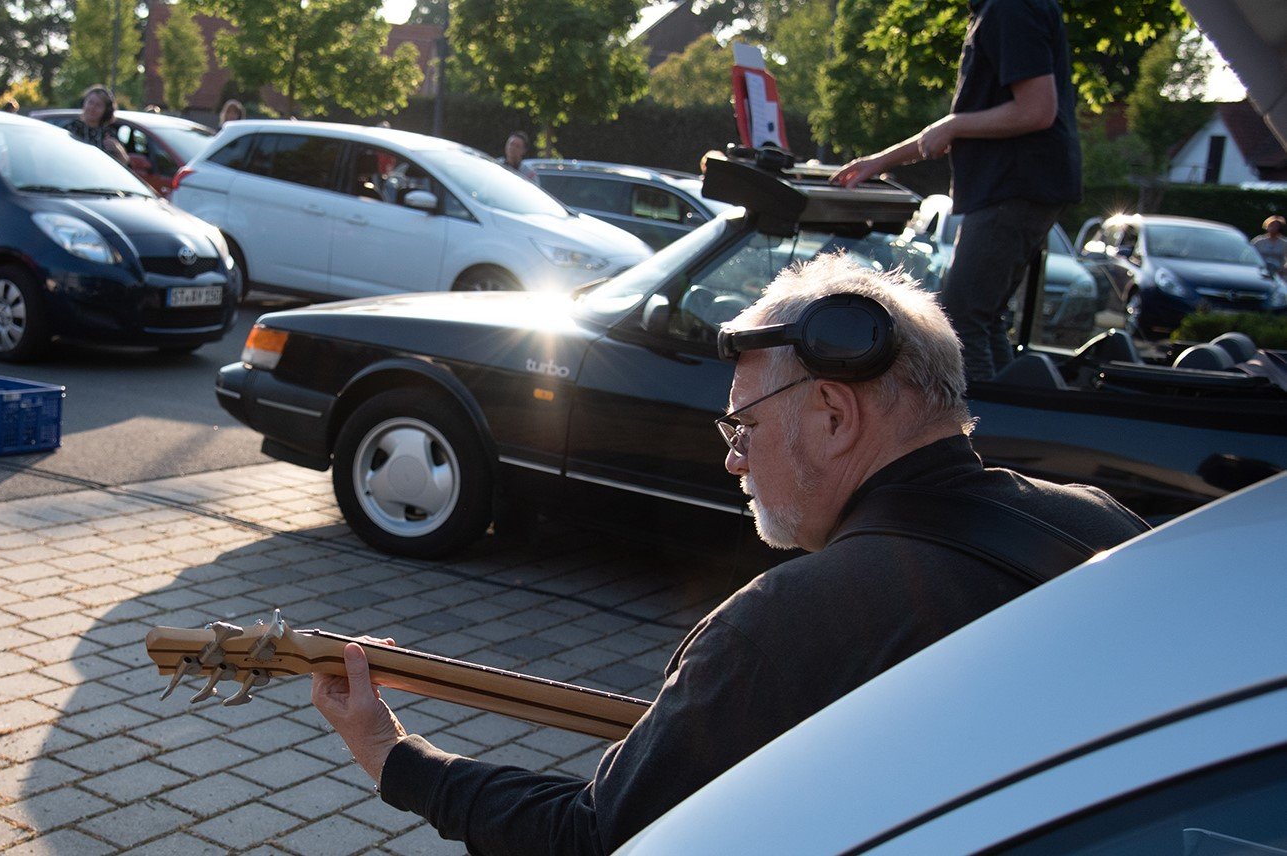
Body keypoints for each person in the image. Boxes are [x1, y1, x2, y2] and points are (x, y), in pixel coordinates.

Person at [312, 255, 1148, 855]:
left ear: (832, 414)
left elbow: (592, 836)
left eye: (743, 426)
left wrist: (394, 756)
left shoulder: (783, 627)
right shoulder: (1106, 529)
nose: (732, 459)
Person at [832, 0, 1081, 383]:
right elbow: (950, 130)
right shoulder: (996, 10)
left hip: (1012, 188)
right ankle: (1009, 425)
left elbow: (1036, 110)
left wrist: (954, 125)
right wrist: (879, 161)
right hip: (1020, 188)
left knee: (960, 323)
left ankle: (980, 436)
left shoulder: (1008, 8)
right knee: (985, 319)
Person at [65, 85, 126, 163]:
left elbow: (124, 164)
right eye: (90, 102)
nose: (92, 108)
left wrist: (118, 150)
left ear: (106, 110)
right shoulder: (70, 129)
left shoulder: (109, 134)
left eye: (98, 105)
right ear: (84, 103)